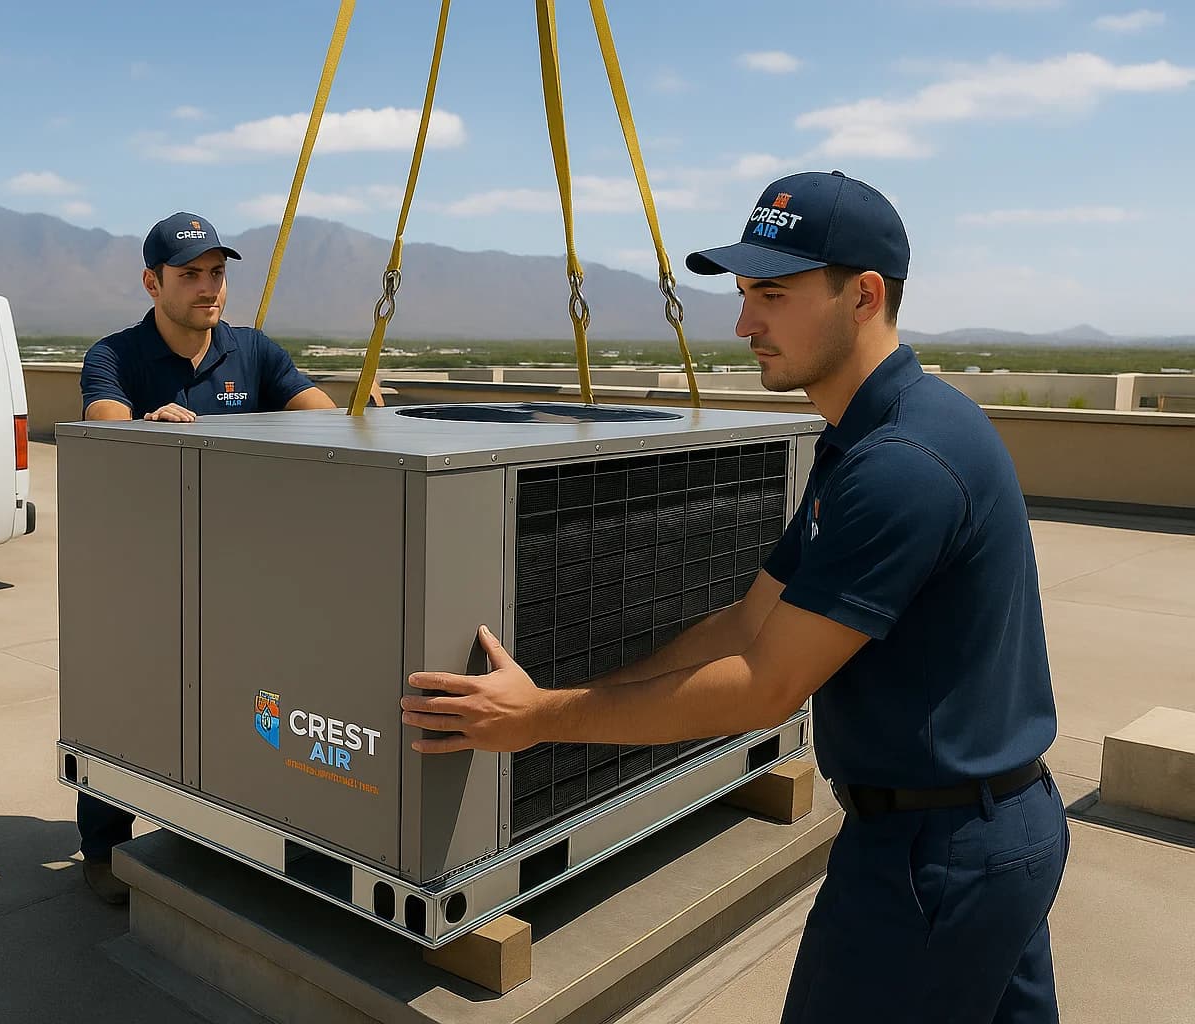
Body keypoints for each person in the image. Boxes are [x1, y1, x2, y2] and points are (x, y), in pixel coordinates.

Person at [401, 171, 1067, 1023]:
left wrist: (541, 721)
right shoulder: (865, 439)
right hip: (984, 830)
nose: (744, 322)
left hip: (934, 862)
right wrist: (583, 694)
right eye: (746, 292)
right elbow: (749, 621)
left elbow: (764, 687)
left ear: (863, 295)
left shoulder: (903, 464)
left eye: (774, 295)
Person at [75, 210, 382, 903]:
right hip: (148, 566)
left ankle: (229, 820)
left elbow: (319, 415)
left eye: (217, 273)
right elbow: (103, 427)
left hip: (237, 569)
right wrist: (147, 428)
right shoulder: (114, 356)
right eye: (191, 275)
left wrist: (358, 412)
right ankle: (102, 849)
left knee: (240, 698)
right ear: (152, 282)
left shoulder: (252, 350)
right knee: (126, 699)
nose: (209, 287)